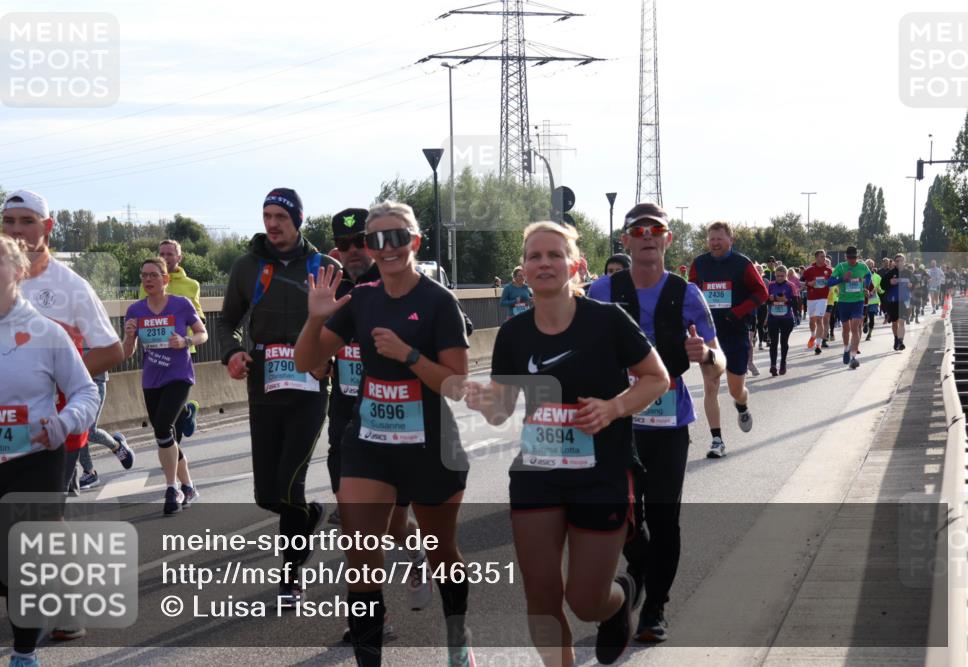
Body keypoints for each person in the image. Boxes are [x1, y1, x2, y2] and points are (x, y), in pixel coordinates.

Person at [467, 220, 669, 665]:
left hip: (601, 475)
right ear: (522, 269)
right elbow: (501, 410)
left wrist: (614, 408)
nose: (544, 263)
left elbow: (657, 378)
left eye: (554, 255)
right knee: (540, 598)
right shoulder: (513, 335)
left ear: (574, 265)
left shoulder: (607, 320)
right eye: (534, 256)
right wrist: (485, 402)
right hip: (538, 476)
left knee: (585, 600)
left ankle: (621, 598)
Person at [295, 201, 473, 667]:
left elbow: (456, 383)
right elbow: (306, 363)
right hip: (370, 444)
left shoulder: (438, 302)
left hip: (431, 444)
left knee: (441, 551)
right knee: (360, 551)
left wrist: (409, 356)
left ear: (415, 242)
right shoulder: (362, 299)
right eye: (378, 239)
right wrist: (315, 318)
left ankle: (458, 639)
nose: (386, 247)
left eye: (397, 237)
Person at [588, 202, 725, 644]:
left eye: (656, 229)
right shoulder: (601, 291)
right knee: (620, 518)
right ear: (625, 240)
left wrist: (705, 355)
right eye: (638, 229)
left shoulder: (687, 294)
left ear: (667, 239)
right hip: (617, 420)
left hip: (668, 426)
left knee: (664, 520)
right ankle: (639, 569)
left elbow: (719, 360)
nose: (648, 235)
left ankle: (655, 606)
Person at [0, 234, 100, 667]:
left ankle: (24, 655)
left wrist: (63, 423)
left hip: (35, 462)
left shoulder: (47, 332)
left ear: (20, 271)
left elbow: (85, 392)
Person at [1, 189, 123, 643]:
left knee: (42, 512)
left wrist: (57, 378)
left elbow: (110, 350)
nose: (15, 230)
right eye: (9, 221)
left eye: (26, 221)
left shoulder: (70, 286)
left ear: (47, 228)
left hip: (57, 423)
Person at [217, 188, 339, 605]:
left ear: (298, 220)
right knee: (267, 495)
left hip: (309, 390)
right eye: (266, 215)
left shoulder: (326, 267)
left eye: (280, 217)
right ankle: (311, 515)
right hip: (264, 386)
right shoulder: (247, 266)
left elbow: (350, 326)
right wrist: (233, 352)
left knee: (290, 485)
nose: (272, 224)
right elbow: (227, 322)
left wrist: (329, 359)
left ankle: (290, 577)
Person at [322, 207, 433, 635]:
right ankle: (372, 618)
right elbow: (312, 352)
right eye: (344, 245)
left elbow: (447, 338)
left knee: (388, 525)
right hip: (347, 419)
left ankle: (416, 549)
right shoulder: (331, 289)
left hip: (398, 424)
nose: (353, 252)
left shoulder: (402, 285)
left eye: (360, 243)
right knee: (357, 527)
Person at [122, 258, 207, 514]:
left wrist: (186, 340)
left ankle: (172, 489)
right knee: (165, 435)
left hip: (179, 376)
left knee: (162, 428)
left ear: (165, 279)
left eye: (154, 275)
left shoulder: (181, 305)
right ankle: (189, 485)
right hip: (151, 380)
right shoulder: (135, 310)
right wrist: (128, 336)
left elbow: (202, 333)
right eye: (144, 275)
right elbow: (127, 353)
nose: (148, 280)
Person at [688, 222, 768, 458]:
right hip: (709, 335)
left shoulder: (742, 264)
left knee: (736, 390)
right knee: (710, 386)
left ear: (730, 239)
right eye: (711, 239)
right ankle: (717, 440)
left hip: (735, 333)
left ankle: (742, 405)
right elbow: (691, 293)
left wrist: (738, 312)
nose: (714, 243)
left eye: (719, 239)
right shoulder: (699, 264)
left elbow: (761, 293)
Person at [139, 239, 204, 439]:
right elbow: (142, 312)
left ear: (179, 257)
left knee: (168, 419)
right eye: (162, 254)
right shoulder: (147, 283)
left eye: (170, 254)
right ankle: (185, 413)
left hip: (181, 351)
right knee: (166, 413)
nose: (165, 258)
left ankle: (173, 450)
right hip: (155, 353)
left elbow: (198, 319)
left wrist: (186, 340)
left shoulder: (191, 285)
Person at [826, 246, 873, 370]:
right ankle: (846, 348)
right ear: (846, 257)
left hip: (858, 301)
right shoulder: (841, 267)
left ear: (857, 257)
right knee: (846, 329)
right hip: (843, 302)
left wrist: (866, 287)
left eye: (854, 257)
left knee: (855, 328)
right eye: (850, 258)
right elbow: (829, 282)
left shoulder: (863, 266)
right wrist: (842, 279)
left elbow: (868, 276)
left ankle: (853, 356)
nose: (852, 260)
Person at [766, 265, 798, 376]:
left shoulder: (790, 285)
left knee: (783, 342)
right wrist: (770, 299)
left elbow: (796, 303)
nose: (779, 278)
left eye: (782, 276)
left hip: (787, 318)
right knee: (773, 342)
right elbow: (765, 301)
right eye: (778, 276)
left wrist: (786, 300)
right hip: (773, 317)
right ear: (775, 275)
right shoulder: (771, 285)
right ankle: (773, 365)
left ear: (786, 276)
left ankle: (783, 363)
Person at [802, 250, 833, 354]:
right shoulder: (809, 270)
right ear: (816, 258)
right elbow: (801, 281)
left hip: (823, 298)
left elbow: (833, 281)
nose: (823, 258)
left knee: (819, 320)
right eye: (821, 256)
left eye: (824, 256)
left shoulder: (829, 270)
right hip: (811, 298)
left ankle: (818, 345)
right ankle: (812, 335)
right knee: (812, 320)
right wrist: (809, 283)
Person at [881, 254, 913, 351]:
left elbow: (916, 285)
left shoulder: (908, 273)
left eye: (901, 260)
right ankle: (896, 338)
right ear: (894, 262)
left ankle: (901, 341)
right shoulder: (890, 273)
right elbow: (882, 285)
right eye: (897, 261)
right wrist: (890, 282)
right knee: (895, 323)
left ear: (904, 261)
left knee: (902, 322)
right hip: (892, 301)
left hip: (904, 300)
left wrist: (911, 285)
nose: (899, 262)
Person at [862, 258, 884, 341]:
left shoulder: (878, 277)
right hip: (864, 300)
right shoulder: (863, 275)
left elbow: (881, 289)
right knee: (864, 317)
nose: (869, 266)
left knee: (871, 317)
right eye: (868, 264)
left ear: (873, 266)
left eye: (871, 265)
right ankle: (865, 324)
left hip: (873, 300)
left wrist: (880, 290)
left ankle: (869, 334)